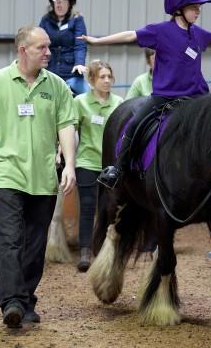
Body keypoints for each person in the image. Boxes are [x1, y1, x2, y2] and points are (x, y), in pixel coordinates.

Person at [78, 0, 211, 188]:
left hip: (196, 97)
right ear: (179, 9)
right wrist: (98, 41)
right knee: (135, 123)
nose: (198, 11)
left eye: (199, 7)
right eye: (194, 7)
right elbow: (130, 35)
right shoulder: (160, 31)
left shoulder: (198, 33)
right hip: (164, 96)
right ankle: (118, 169)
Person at [0, 26, 77, 328]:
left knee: (35, 245)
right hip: (6, 175)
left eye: (49, 47)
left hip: (44, 178)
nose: (49, 52)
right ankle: (12, 302)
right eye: (42, 47)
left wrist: (69, 164)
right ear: (23, 50)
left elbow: (67, 126)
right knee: (11, 241)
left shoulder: (56, 86)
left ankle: (26, 299)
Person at [72, 60, 123, 271]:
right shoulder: (80, 102)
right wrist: (63, 156)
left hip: (111, 166)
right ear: (91, 80)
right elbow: (71, 131)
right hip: (86, 162)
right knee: (87, 207)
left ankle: (103, 250)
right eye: (102, 77)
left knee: (108, 209)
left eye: (109, 77)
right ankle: (85, 251)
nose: (107, 81)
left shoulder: (119, 102)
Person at [39, 0, 89, 95]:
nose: (59, 4)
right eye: (56, 0)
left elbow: (80, 44)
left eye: (63, 0)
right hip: (50, 71)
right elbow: (39, 42)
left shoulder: (77, 20)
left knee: (87, 97)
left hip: (71, 73)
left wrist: (79, 63)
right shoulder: (45, 20)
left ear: (70, 3)